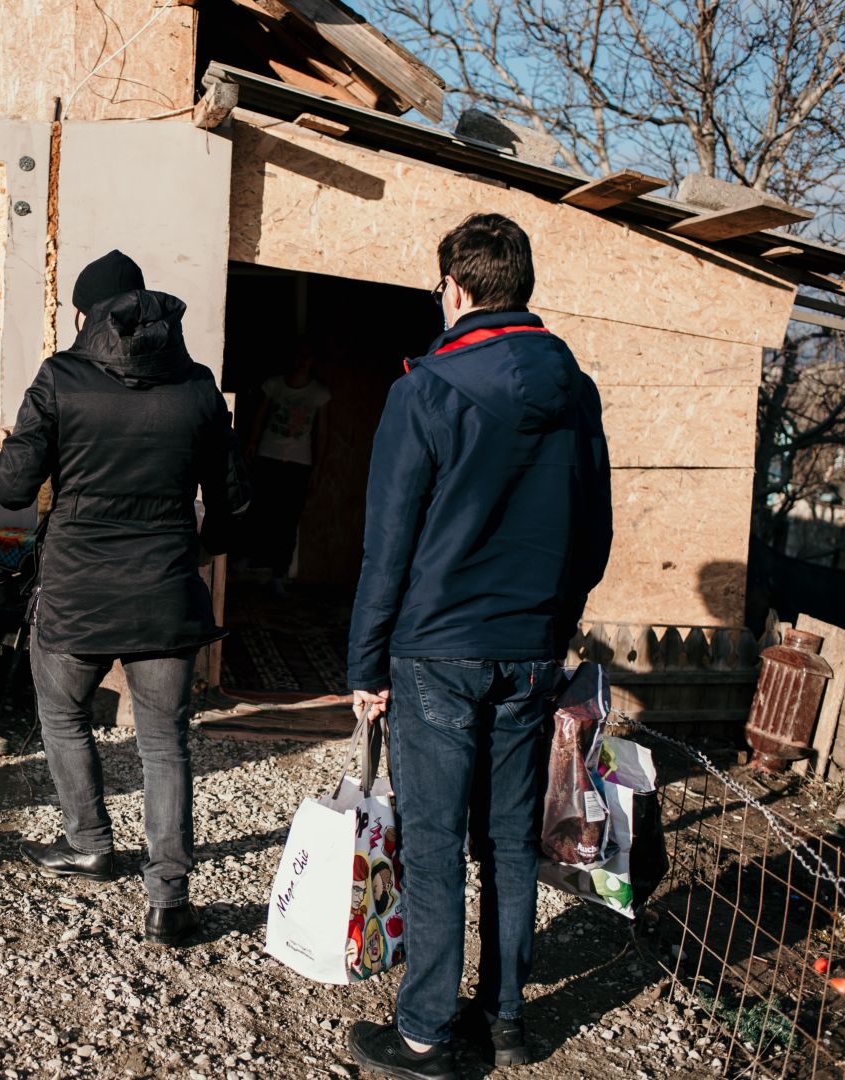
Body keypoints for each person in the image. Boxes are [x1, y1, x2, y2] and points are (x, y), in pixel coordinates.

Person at [344, 214, 612, 1079]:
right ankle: (504, 1020)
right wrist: (554, 626)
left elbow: (387, 543)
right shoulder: (577, 392)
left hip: (437, 650)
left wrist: (365, 663)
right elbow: (595, 537)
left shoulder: (425, 390)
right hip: (530, 649)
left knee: (432, 845)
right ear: (519, 289)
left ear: (454, 291)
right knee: (505, 841)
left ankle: (424, 1031)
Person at [0, 250, 248, 947]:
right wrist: (194, 551)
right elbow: (233, 503)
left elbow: (9, 490)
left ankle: (89, 844)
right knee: (165, 743)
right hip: (166, 593)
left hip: (76, 593)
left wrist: (17, 445)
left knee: (63, 715)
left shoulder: (60, 378)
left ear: (86, 317)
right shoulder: (198, 386)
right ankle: (169, 901)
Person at [244, 342, 331, 596]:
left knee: (288, 518)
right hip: (268, 454)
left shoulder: (319, 393)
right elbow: (260, 417)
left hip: (298, 461)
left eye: (307, 356)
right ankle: (248, 559)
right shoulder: (275, 385)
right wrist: (252, 443)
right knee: (260, 510)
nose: (302, 361)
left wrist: (318, 468)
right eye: (299, 355)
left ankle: (278, 573)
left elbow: (322, 434)